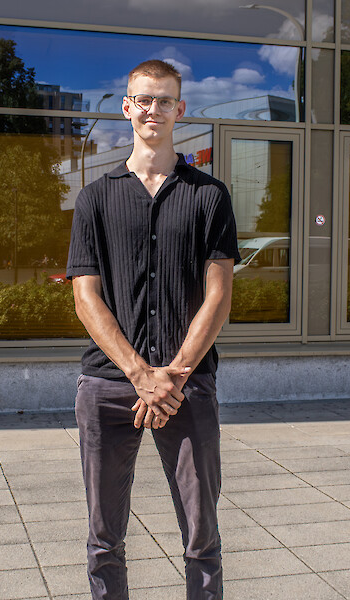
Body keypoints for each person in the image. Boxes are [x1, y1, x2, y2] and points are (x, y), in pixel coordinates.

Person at [66, 59, 240, 600]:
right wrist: (141, 374)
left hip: (188, 387)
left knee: (201, 536)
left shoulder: (209, 195)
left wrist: (174, 376)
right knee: (104, 538)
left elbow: (218, 295)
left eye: (165, 100)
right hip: (109, 386)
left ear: (180, 109)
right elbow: (85, 295)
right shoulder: (96, 196)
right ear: (127, 108)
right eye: (144, 99)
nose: (154, 109)